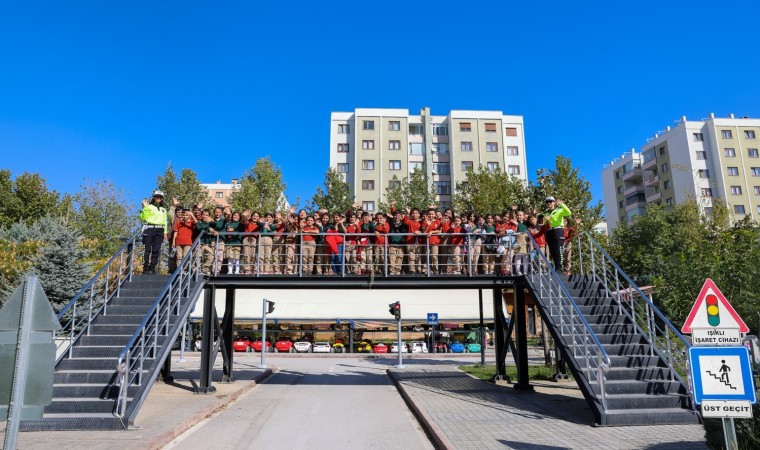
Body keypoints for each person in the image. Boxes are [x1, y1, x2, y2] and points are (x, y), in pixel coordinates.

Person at [140, 190, 169, 274]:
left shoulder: (163, 210)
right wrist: (145, 207)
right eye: (157, 196)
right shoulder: (149, 207)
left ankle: (152, 267)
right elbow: (143, 218)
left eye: (160, 197)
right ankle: (145, 268)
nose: (158, 198)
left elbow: (165, 221)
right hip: (149, 228)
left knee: (156, 250)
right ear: (154, 197)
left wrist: (165, 232)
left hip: (160, 230)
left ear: (162, 199)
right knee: (147, 249)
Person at [544, 197, 572, 272]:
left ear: (554, 202)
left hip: (558, 230)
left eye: (550, 201)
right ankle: (555, 268)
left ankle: (559, 268)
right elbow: (544, 224)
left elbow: (569, 213)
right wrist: (547, 221)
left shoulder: (559, 210)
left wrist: (562, 204)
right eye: (547, 202)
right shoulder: (546, 213)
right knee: (552, 251)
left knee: (558, 250)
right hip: (549, 231)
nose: (549, 203)